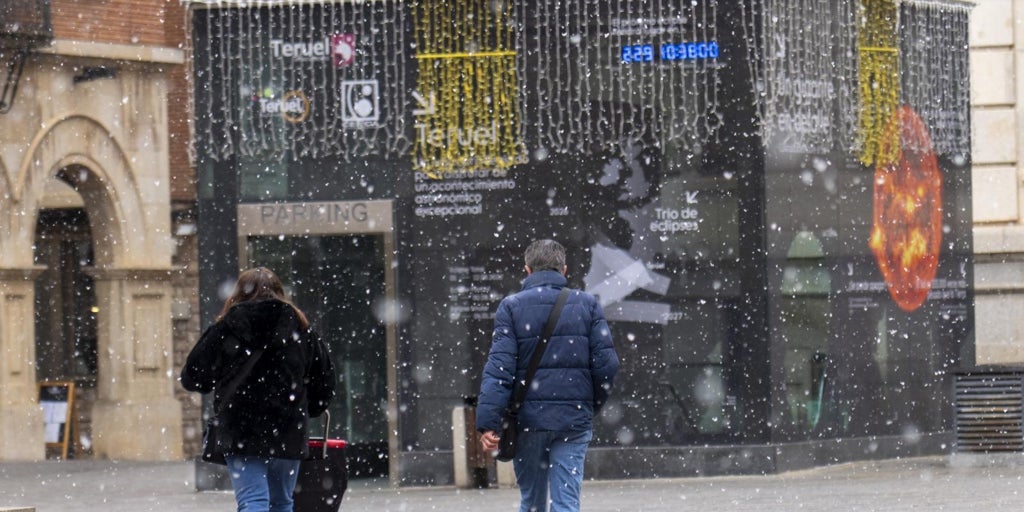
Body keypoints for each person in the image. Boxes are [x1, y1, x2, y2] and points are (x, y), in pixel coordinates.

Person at [476, 239, 620, 512]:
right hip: (572, 421)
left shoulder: (511, 307)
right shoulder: (587, 305)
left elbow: (499, 369)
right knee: (566, 504)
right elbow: (607, 365)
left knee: (532, 503)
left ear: (527, 270)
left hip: (527, 421)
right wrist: (589, 406)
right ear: (563, 270)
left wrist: (488, 423)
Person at [181, 267, 336, 512]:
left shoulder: (225, 329)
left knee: (253, 501)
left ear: (238, 294)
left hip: (242, 430)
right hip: (288, 430)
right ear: (280, 293)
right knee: (283, 502)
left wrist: (217, 380)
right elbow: (324, 382)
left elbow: (192, 378)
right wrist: (310, 408)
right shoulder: (301, 329)